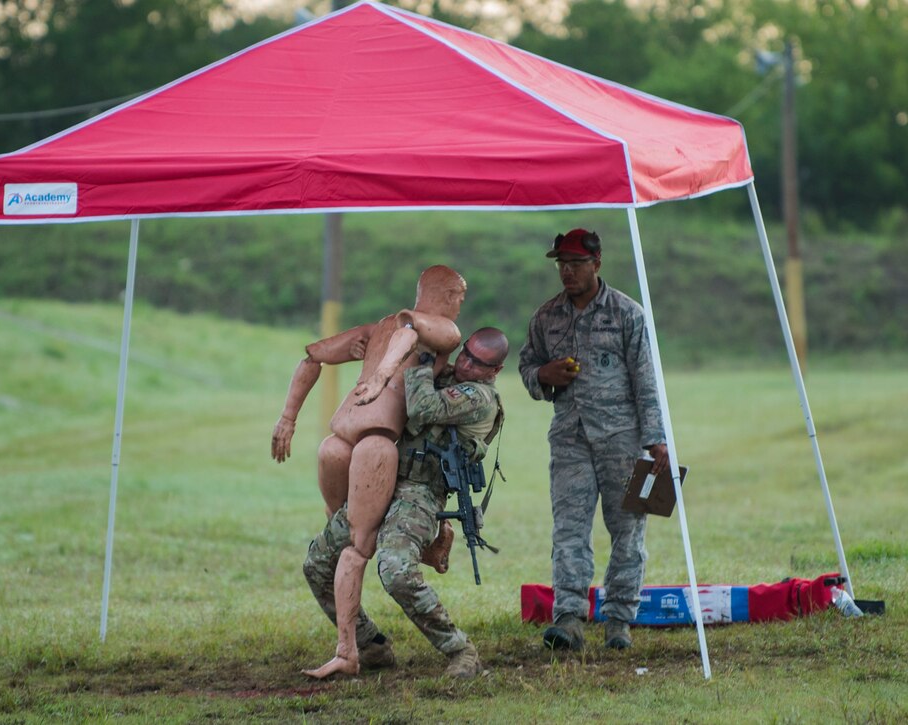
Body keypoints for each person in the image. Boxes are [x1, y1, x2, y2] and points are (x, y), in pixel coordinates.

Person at [272, 266, 467, 678]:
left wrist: (380, 375)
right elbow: (320, 352)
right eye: (459, 296)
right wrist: (287, 417)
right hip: (349, 443)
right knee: (345, 542)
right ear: (449, 294)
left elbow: (318, 353)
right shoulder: (418, 327)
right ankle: (363, 644)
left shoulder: (415, 329)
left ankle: (348, 650)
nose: (460, 305)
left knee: (356, 546)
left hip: (363, 440)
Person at [302, 328, 508, 678]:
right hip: (378, 477)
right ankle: (370, 645)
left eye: (477, 362)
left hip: (420, 492)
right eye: (466, 353)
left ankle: (461, 651)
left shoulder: (479, 397)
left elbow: (423, 405)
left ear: (494, 371)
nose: (466, 364)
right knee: (317, 564)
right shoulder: (445, 373)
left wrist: (422, 361)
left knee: (395, 570)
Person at [517, 228, 668, 652]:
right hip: (570, 439)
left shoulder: (627, 314)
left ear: (597, 263)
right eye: (561, 264)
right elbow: (527, 365)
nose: (567, 272)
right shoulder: (546, 317)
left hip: (622, 439)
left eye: (576, 264)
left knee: (628, 532)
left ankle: (619, 619)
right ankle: (568, 618)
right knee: (568, 529)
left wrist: (656, 439)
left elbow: (646, 380)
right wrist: (542, 376)